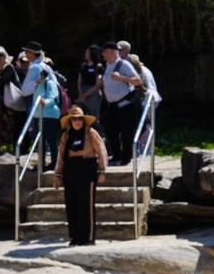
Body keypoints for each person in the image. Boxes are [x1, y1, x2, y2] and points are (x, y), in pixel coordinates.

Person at [52, 106, 108, 245]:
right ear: (70, 121)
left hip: (87, 169)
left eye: (79, 119)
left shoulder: (91, 132)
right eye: (74, 119)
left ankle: (88, 237)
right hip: (70, 170)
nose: (77, 122)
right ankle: (75, 237)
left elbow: (101, 151)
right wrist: (57, 175)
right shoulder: (66, 135)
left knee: (86, 204)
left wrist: (102, 171)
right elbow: (61, 156)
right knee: (72, 204)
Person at [101, 42, 141, 165]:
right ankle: (116, 155)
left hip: (125, 104)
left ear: (113, 52)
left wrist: (121, 78)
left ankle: (126, 157)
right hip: (112, 105)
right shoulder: (107, 65)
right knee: (110, 131)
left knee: (126, 132)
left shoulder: (123, 64)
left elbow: (138, 81)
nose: (103, 54)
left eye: (105, 51)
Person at [34, 60, 64, 170]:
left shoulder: (49, 83)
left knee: (52, 140)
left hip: (50, 116)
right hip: (39, 116)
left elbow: (53, 98)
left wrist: (45, 102)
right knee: (40, 141)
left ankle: (54, 163)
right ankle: (41, 164)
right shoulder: (38, 85)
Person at [77, 45, 104, 130]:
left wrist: (87, 94)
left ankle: (96, 133)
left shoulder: (98, 66)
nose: (86, 54)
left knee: (93, 116)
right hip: (83, 91)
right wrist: (81, 93)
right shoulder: (83, 66)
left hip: (93, 93)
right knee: (82, 114)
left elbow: (98, 84)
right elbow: (79, 81)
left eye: (88, 52)